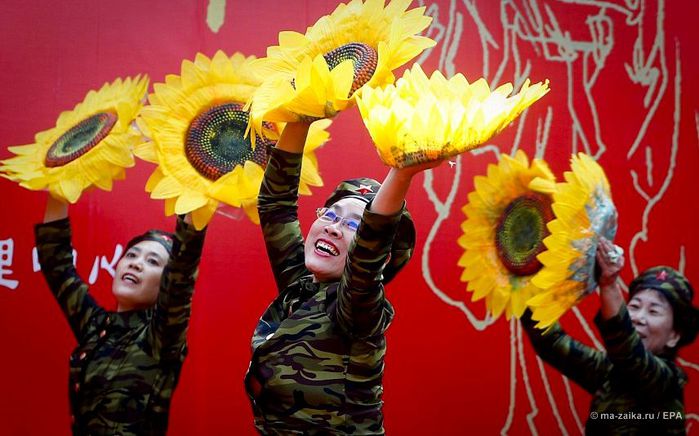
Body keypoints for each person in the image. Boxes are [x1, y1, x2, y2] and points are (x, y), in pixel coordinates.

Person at [244, 121, 439, 434]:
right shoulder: (302, 287)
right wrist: (301, 116)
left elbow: (366, 258)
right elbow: (275, 205)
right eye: (331, 216)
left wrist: (401, 172)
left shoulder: (357, 307)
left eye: (353, 226)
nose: (334, 227)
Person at [36, 195, 207, 435]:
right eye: (132, 255)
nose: (136, 264)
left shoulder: (159, 338)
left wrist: (198, 192)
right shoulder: (95, 325)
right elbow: (57, 265)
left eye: (152, 261)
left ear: (164, 283)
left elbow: (181, 272)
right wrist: (57, 185)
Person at [521, 237, 699, 435]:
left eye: (654, 311)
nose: (639, 318)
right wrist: (524, 279)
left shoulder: (667, 382)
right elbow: (552, 342)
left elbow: (628, 352)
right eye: (634, 306)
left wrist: (608, 284)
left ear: (674, 336)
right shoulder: (608, 371)